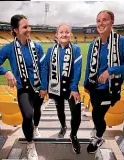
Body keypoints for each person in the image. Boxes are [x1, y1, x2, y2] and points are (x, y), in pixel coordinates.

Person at [0, 14, 47, 160]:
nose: (28, 29)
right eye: (25, 27)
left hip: (38, 87)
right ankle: (30, 145)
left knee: (37, 111)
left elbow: (43, 67)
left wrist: (44, 87)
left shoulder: (37, 47)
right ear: (15, 30)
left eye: (29, 26)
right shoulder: (8, 49)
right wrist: (6, 71)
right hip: (23, 88)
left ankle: (36, 128)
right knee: (27, 115)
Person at [84, 10, 124, 154]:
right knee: (96, 113)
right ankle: (98, 127)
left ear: (112, 22)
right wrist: (86, 83)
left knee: (97, 114)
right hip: (94, 88)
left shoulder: (122, 41)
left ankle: (98, 137)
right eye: (98, 20)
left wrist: (111, 70)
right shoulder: (93, 44)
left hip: (109, 91)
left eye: (105, 20)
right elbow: (88, 65)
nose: (101, 23)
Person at [44, 24, 82, 154]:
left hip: (72, 88)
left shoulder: (76, 49)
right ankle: (63, 126)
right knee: (60, 110)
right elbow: (46, 69)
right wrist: (46, 88)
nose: (64, 34)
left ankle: (74, 135)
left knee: (76, 113)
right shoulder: (50, 50)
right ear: (57, 35)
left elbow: (77, 70)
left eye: (67, 32)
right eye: (61, 32)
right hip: (55, 88)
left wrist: (74, 88)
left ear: (70, 34)